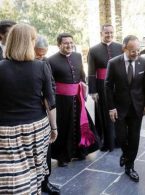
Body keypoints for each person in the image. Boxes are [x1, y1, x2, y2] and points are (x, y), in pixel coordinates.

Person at [0, 23, 57, 194]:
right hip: (36, 128)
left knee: (11, 174)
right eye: (33, 40)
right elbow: (49, 100)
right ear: (28, 43)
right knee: (34, 170)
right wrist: (54, 127)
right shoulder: (40, 66)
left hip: (5, 130)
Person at [48, 33, 98, 167]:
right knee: (64, 127)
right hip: (62, 101)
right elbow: (50, 82)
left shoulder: (77, 56)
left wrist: (83, 82)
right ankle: (62, 156)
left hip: (77, 97)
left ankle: (81, 152)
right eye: (65, 43)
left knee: (79, 124)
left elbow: (81, 73)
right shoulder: (51, 60)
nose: (69, 45)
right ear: (59, 44)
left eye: (71, 42)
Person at [105, 35, 145, 182]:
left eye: (138, 50)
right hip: (119, 107)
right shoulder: (113, 63)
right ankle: (125, 153)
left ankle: (130, 166)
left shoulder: (144, 62)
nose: (137, 53)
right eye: (133, 51)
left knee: (134, 137)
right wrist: (111, 108)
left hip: (137, 107)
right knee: (121, 136)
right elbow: (108, 86)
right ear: (124, 48)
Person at [88, 24, 123, 152]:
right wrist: (93, 90)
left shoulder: (120, 47)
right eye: (106, 33)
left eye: (111, 33)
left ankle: (119, 140)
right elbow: (91, 71)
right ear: (101, 33)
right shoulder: (93, 50)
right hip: (101, 85)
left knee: (119, 111)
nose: (109, 35)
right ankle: (107, 141)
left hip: (118, 84)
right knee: (104, 113)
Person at [35, 35, 60, 195]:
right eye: (38, 54)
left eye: (44, 54)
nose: (41, 57)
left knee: (46, 150)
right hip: (30, 110)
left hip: (44, 110)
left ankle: (46, 182)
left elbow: (50, 83)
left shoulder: (44, 63)